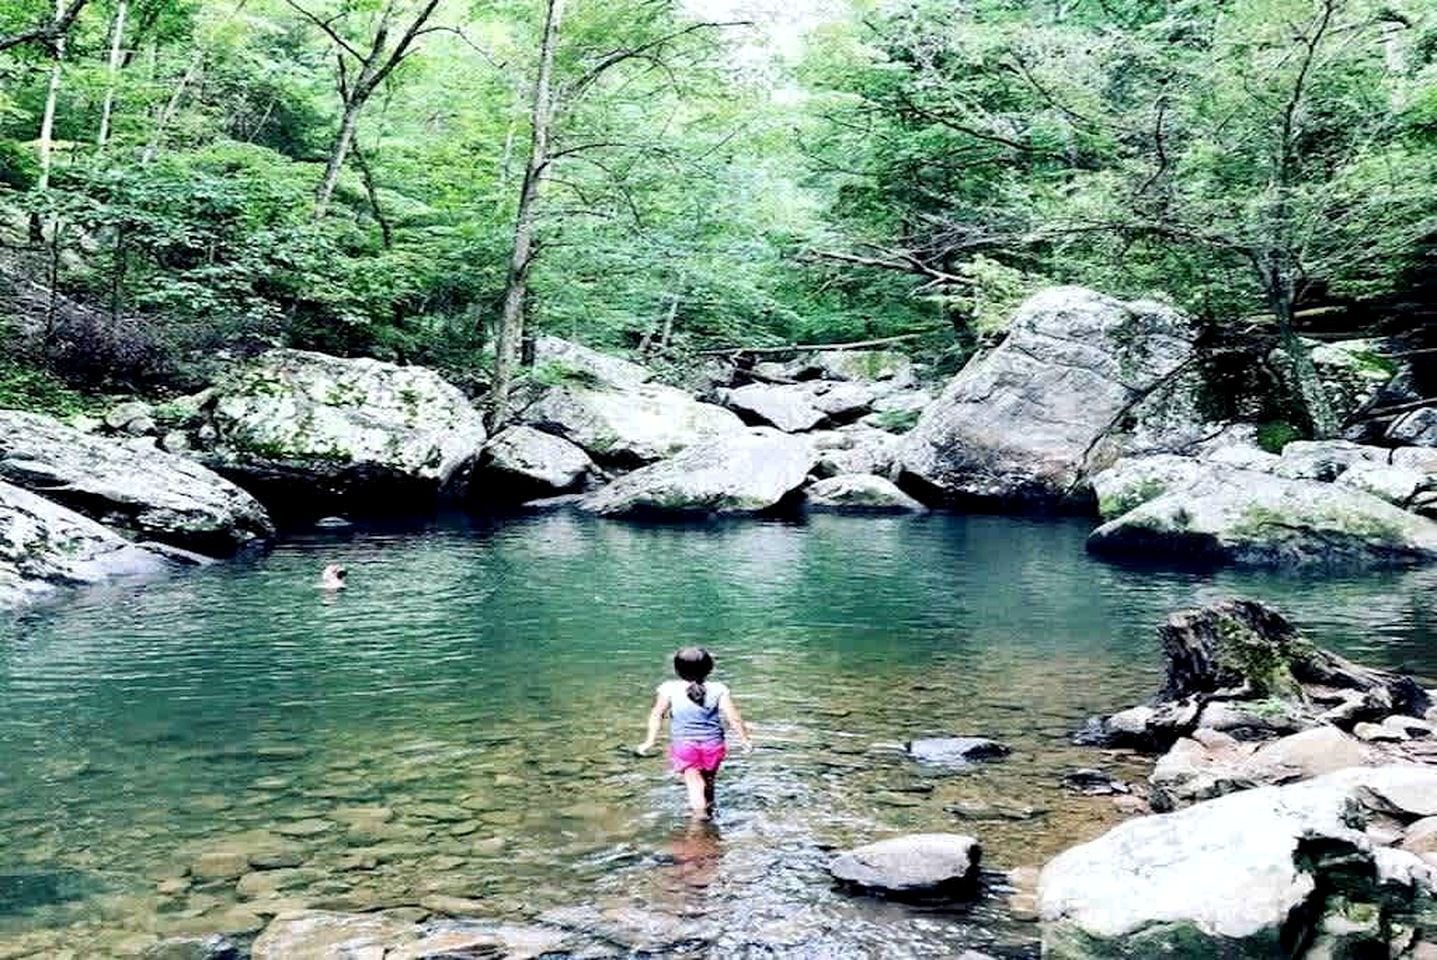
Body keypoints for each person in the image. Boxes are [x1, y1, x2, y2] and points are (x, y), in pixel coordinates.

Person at [635, 647, 753, 819]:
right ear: (709, 669)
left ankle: (699, 820)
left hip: (685, 747)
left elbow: (657, 714)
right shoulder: (719, 689)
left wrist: (649, 741)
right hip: (713, 745)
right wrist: (745, 739)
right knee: (709, 781)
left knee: (695, 785)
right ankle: (711, 810)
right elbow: (733, 717)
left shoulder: (668, 689)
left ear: (677, 670)